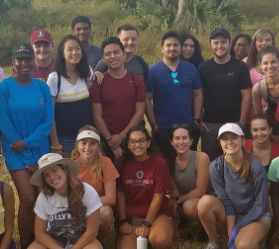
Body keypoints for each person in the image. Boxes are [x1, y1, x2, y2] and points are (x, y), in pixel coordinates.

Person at [0, 43, 54, 249]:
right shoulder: (4, 88)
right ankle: (25, 247)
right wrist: (27, 156)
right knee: (28, 198)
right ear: (13, 62)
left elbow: (47, 121)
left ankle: (42, 242)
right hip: (16, 153)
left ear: (33, 61)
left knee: (43, 198)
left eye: (28, 59)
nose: (24, 63)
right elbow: (5, 124)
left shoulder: (42, 87)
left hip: (40, 149)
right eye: (20, 59)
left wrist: (29, 144)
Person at [25, 153, 104, 249]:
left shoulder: (87, 192)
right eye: (47, 175)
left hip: (79, 241)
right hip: (54, 243)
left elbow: (92, 232)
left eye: (55, 170)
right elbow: (40, 234)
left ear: (65, 170)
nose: (52, 177)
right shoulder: (44, 197)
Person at [197, 123, 270, 249]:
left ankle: (258, 237)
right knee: (204, 202)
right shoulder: (216, 166)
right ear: (220, 143)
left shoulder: (256, 166)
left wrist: (238, 227)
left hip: (257, 215)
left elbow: (261, 206)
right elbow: (226, 202)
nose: (229, 142)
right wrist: (231, 231)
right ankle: (214, 243)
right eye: (225, 139)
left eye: (234, 137)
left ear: (242, 140)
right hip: (233, 214)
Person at [116, 126, 176, 249]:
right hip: (133, 217)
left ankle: (158, 230)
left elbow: (158, 197)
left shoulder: (159, 163)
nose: (137, 145)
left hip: (158, 214)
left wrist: (147, 224)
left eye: (141, 141)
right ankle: (142, 237)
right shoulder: (123, 164)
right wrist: (123, 221)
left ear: (148, 143)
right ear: (128, 145)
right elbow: (120, 194)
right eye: (133, 141)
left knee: (160, 241)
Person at [145, 31, 203, 159]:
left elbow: (197, 95)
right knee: (165, 163)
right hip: (163, 128)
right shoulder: (152, 71)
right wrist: (154, 125)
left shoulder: (191, 69)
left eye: (176, 45)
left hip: (188, 126)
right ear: (162, 48)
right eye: (168, 45)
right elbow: (146, 99)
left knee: (188, 163)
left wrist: (197, 120)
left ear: (180, 48)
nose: (172, 48)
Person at [198, 27, 253, 161]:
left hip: (235, 122)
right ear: (210, 44)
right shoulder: (203, 68)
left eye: (223, 42)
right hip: (210, 124)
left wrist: (242, 122)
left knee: (237, 161)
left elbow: (246, 95)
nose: (220, 46)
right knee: (211, 161)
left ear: (229, 43)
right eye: (216, 43)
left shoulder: (240, 67)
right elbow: (199, 95)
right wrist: (199, 120)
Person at [90, 37, 147, 161]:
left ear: (124, 54)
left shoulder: (136, 80)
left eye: (116, 52)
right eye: (108, 54)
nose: (113, 56)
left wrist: (122, 136)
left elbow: (140, 112)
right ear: (103, 58)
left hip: (132, 139)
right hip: (107, 141)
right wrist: (112, 142)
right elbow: (97, 117)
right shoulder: (98, 83)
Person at [48, 35, 94, 157]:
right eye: (69, 49)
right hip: (65, 140)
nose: (75, 52)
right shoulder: (54, 78)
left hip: (87, 137)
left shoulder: (87, 73)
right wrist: (55, 143)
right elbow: (50, 114)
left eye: (78, 48)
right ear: (62, 53)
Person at [71, 127, 118, 238]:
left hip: (95, 206)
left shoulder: (105, 162)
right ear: (77, 145)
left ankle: (98, 239)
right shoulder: (70, 165)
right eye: (83, 143)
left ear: (98, 146)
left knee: (106, 213)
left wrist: (85, 204)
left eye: (93, 143)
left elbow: (111, 198)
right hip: (75, 208)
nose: (87, 147)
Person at [170, 125, 211, 225]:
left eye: (184, 138)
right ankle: (178, 226)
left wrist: (179, 200)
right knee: (167, 204)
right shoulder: (170, 163)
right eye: (177, 138)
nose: (181, 142)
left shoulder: (201, 158)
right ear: (171, 142)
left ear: (191, 141)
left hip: (206, 199)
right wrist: (175, 201)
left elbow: (200, 191)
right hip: (183, 200)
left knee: (188, 206)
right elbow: (174, 192)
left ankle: (210, 227)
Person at [251, 46, 279, 138]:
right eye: (265, 63)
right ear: (260, 65)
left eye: (273, 62)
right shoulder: (258, 88)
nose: (270, 66)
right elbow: (259, 117)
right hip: (273, 121)